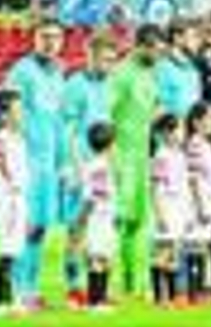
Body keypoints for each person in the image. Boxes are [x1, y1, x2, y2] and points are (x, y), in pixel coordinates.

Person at [6, 21, 68, 309]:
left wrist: (62, 161)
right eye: (45, 37)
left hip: (48, 163)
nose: (50, 42)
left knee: (41, 227)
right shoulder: (21, 72)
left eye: (56, 37)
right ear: (34, 39)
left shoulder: (59, 73)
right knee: (24, 225)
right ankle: (16, 288)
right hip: (26, 160)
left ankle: (31, 288)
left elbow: (59, 120)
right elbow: (10, 114)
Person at [62, 33, 116, 308]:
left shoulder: (111, 85)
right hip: (82, 165)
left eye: (112, 60)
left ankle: (99, 286)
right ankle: (74, 287)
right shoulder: (75, 85)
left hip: (103, 162)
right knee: (77, 230)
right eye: (104, 59)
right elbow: (69, 128)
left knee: (102, 231)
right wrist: (74, 166)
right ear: (90, 56)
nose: (109, 65)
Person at [110, 26, 162, 295]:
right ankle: (106, 279)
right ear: (141, 46)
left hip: (143, 156)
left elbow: (151, 109)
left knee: (138, 221)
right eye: (154, 50)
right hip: (122, 156)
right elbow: (106, 114)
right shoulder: (121, 74)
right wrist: (111, 155)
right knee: (118, 219)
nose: (158, 55)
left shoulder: (149, 74)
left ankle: (133, 281)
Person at [0, 90, 29, 315]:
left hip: (19, 197)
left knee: (15, 246)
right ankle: (1, 299)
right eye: (16, 110)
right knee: (6, 246)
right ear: (4, 115)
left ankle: (11, 296)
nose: (21, 114)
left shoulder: (19, 138)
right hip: (6, 197)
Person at [183, 104, 211, 301]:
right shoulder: (195, 146)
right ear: (196, 122)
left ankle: (198, 289)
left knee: (201, 247)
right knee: (195, 247)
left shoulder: (205, 144)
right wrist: (200, 206)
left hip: (208, 202)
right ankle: (194, 291)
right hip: (198, 205)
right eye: (209, 118)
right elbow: (193, 179)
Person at [148, 114, 187, 305]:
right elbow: (155, 188)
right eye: (179, 129)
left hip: (177, 208)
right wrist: (160, 214)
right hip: (166, 207)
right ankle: (158, 295)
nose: (182, 133)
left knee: (173, 252)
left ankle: (172, 295)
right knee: (162, 252)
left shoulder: (179, 155)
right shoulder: (161, 156)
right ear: (167, 133)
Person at [78, 122, 118, 311]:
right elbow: (93, 197)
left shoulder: (99, 165)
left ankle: (100, 298)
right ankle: (96, 300)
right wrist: (83, 219)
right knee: (97, 258)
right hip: (98, 218)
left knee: (104, 257)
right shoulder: (99, 167)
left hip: (103, 217)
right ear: (109, 145)